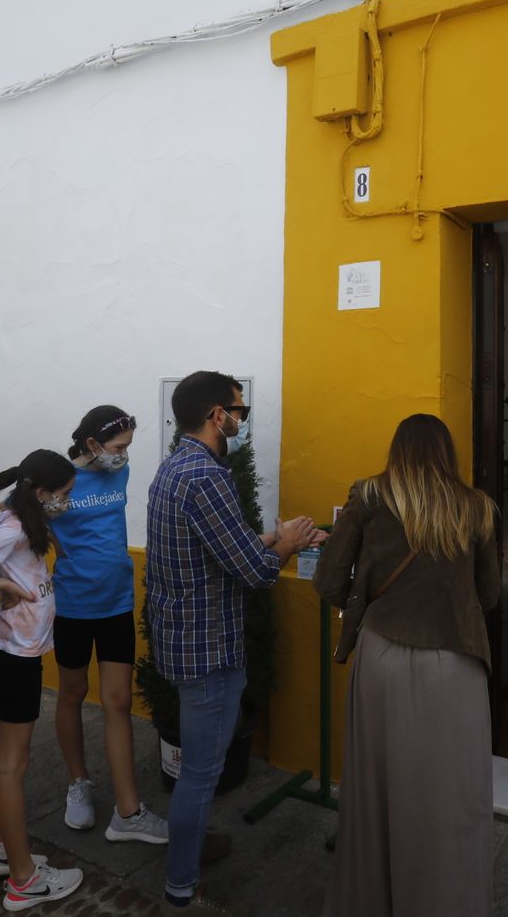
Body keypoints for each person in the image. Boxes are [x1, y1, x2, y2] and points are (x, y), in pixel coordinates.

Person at [146, 371, 321, 914]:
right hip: (209, 654)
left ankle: (194, 847)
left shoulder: (175, 467)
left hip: (183, 643)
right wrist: (287, 545)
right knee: (200, 776)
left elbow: (227, 547)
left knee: (199, 772)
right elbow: (255, 571)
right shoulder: (208, 477)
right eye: (239, 412)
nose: (243, 421)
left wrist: (274, 536)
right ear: (217, 415)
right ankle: (182, 887)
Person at [314, 413, 500, 917]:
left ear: (397, 450)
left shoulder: (369, 495)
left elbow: (329, 580)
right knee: (452, 797)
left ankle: (370, 901)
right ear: (447, 452)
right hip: (456, 662)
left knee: (375, 791)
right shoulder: (477, 506)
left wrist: (364, 596)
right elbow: (489, 594)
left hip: (382, 655)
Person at [0, 450, 86, 909]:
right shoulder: (13, 527)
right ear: (38, 492)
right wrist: (3, 586)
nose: (66, 502)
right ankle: (24, 879)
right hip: (17, 655)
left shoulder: (16, 515)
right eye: (63, 495)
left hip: (10, 646)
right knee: (13, 766)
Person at [51, 406, 167, 843]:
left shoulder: (119, 473)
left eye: (128, 448)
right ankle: (77, 782)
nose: (124, 456)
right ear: (92, 444)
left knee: (117, 701)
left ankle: (128, 812)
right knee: (73, 693)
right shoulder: (59, 478)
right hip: (74, 607)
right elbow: (7, 516)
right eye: (118, 448)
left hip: (117, 603)